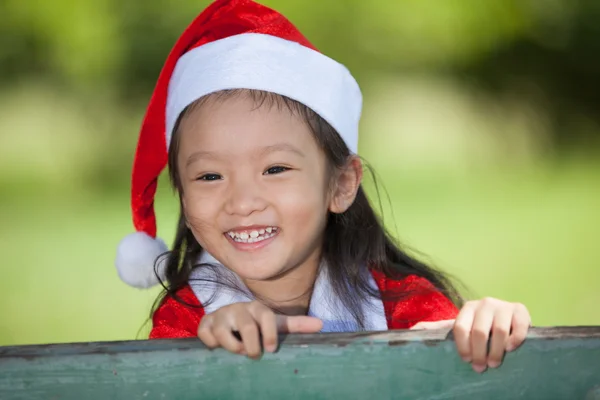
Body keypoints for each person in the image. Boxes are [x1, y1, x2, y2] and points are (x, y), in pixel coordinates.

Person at [114, 0, 531, 373]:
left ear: (341, 184)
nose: (242, 202)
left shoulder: (399, 303)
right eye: (209, 176)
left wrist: (485, 327)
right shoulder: (190, 317)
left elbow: (447, 364)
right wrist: (212, 348)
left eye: (275, 169)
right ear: (183, 198)